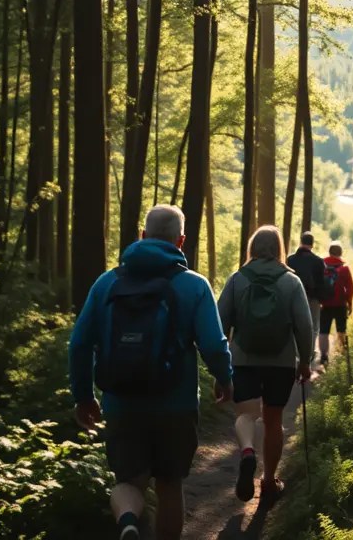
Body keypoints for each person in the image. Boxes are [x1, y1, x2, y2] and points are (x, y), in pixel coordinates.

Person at [68, 204, 233, 540]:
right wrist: (224, 379)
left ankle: (128, 521)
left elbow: (79, 344)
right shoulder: (194, 285)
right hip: (176, 404)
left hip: (121, 402)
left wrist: (84, 396)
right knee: (170, 485)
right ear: (181, 241)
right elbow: (214, 345)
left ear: (142, 236)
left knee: (128, 482)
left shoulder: (106, 283)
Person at [218, 225, 312, 505]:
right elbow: (305, 326)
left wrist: (222, 365)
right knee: (273, 421)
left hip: (244, 359)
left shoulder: (237, 279)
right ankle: (269, 481)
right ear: (279, 248)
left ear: (252, 248)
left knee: (245, 414)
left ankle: (247, 451)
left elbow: (220, 324)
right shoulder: (291, 281)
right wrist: (305, 362)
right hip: (280, 362)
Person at [286, 230, 326, 369]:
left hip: (292, 297)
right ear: (312, 244)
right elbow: (321, 283)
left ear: (301, 242)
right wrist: (322, 300)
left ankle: (295, 353)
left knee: (293, 324)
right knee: (313, 326)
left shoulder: (290, 259)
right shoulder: (318, 262)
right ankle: (308, 355)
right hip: (312, 299)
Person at [319, 241, 353, 366]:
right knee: (341, 329)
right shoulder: (344, 269)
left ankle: (324, 356)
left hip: (325, 305)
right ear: (340, 253)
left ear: (329, 252)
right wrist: (349, 303)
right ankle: (341, 353)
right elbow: (350, 288)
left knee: (323, 331)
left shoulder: (321, 266)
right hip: (340, 304)